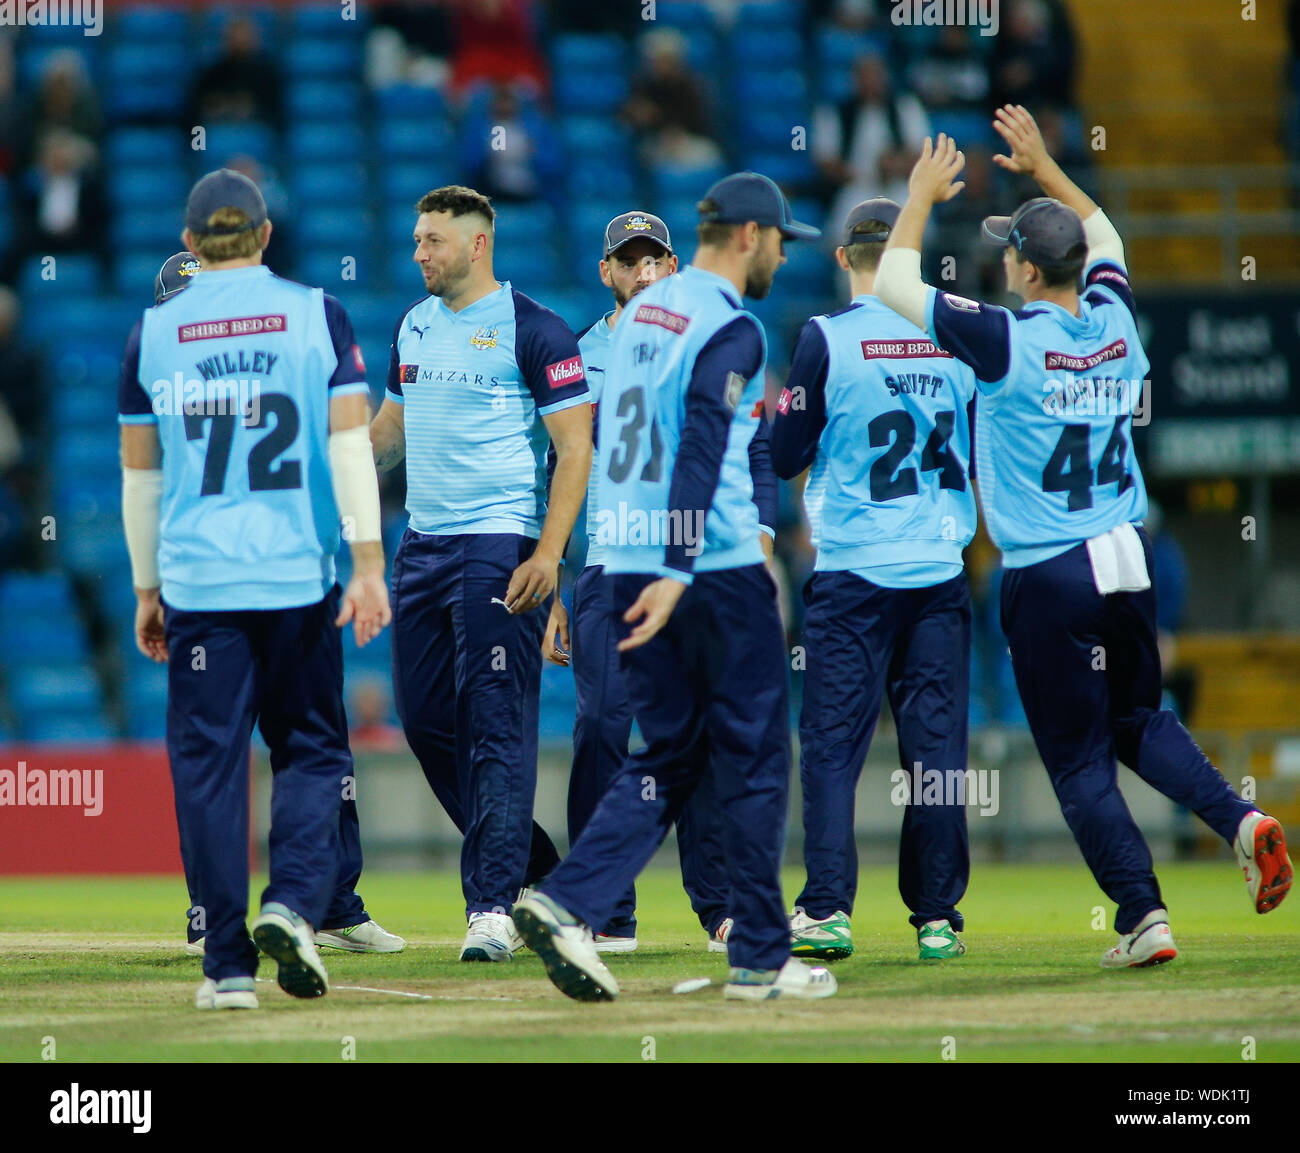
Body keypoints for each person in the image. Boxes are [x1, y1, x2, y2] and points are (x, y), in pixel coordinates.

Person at [873, 108, 1293, 967]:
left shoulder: (1005, 341)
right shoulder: (1113, 320)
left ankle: (1144, 914)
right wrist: (1046, 168)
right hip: (1126, 554)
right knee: (1139, 716)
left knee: (1076, 761)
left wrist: (917, 198)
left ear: (1027, 268)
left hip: (1048, 569)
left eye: (1009, 249)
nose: (1001, 259)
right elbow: (1103, 230)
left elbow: (892, 284)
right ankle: (1240, 819)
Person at [512, 173, 837, 1003]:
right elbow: (700, 448)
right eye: (777, 241)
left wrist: (638, 567)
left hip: (621, 563)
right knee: (758, 754)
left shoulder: (631, 325)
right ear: (749, 236)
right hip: (708, 571)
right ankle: (761, 951)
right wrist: (682, 566)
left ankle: (566, 899)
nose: (778, 258)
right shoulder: (727, 323)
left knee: (670, 756)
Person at [118, 170, 392, 1010]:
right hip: (294, 577)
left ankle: (226, 965)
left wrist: (146, 588)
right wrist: (370, 563)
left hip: (200, 581)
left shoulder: (152, 334)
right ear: (267, 235)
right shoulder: (318, 315)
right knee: (311, 748)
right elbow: (351, 448)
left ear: (191, 243)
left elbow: (140, 479)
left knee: (209, 768)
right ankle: (295, 903)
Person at [369, 185, 592, 962]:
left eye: (431, 239)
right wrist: (338, 468)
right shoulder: (414, 323)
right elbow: (392, 430)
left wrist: (548, 554)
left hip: (500, 545)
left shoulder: (535, 328)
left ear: (477, 245)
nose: (418, 252)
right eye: (416, 238)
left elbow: (575, 448)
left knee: (496, 722)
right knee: (428, 722)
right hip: (421, 547)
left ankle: (492, 904)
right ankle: (543, 878)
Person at [771, 197, 978, 963]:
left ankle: (827, 908)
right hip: (938, 571)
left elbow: (788, 452)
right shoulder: (956, 337)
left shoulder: (824, 339)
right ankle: (936, 916)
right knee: (936, 755)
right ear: (910, 258)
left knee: (831, 747)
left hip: (855, 571)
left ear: (840, 258)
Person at [542, 211, 737, 955]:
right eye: (629, 260)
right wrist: (553, 583)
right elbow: (558, 468)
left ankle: (718, 905)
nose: (643, 270)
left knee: (696, 732)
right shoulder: (575, 353)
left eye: (654, 257)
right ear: (608, 271)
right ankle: (603, 906)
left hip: (686, 565)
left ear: (674, 263)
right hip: (603, 567)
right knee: (599, 727)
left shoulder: (698, 341)